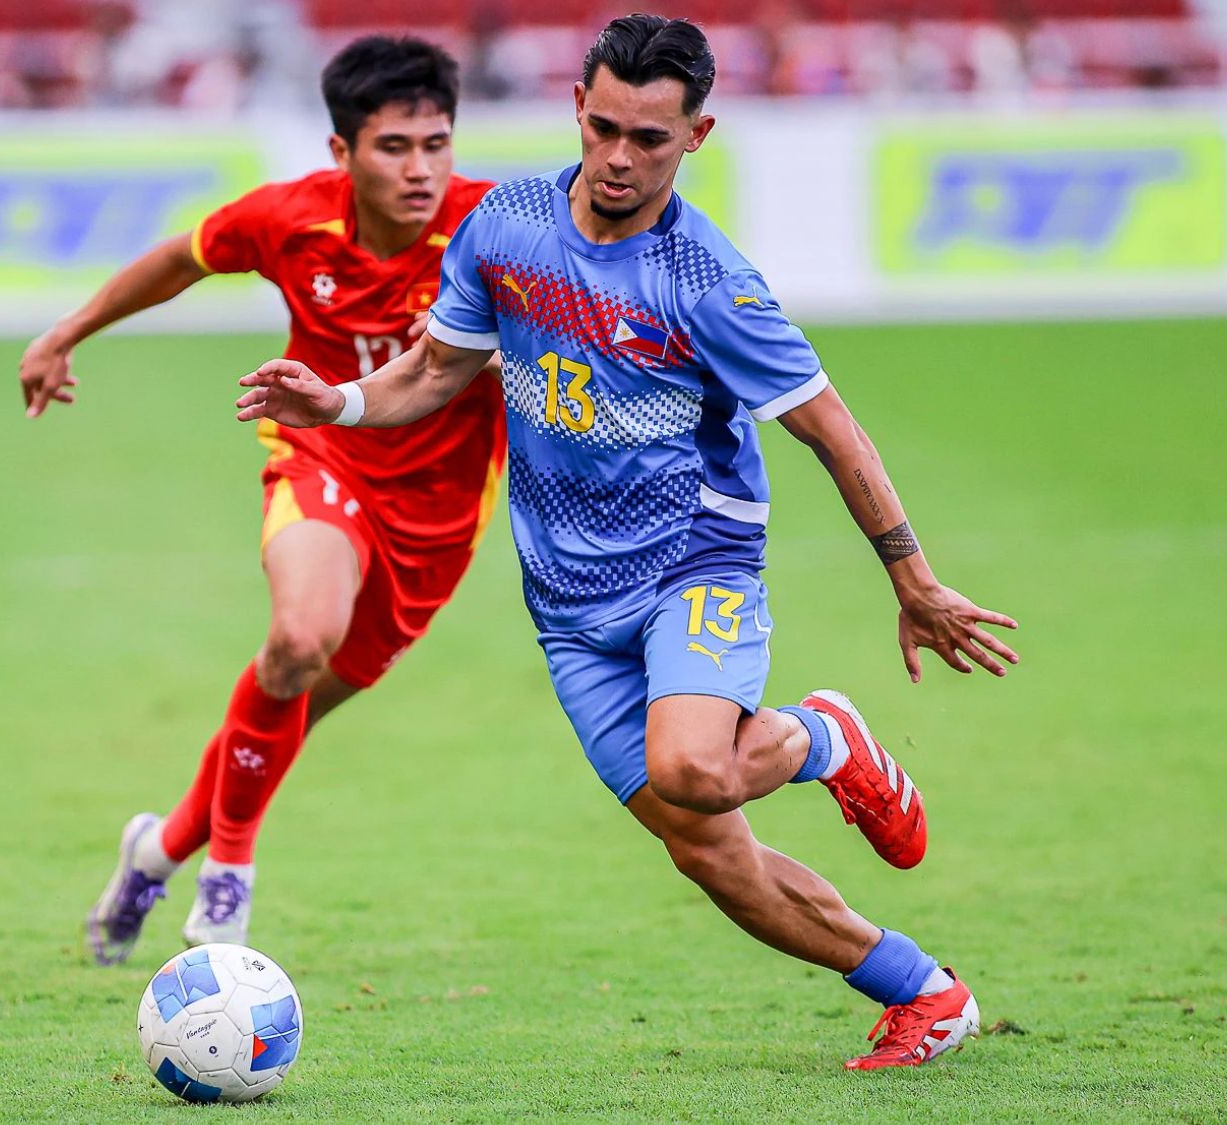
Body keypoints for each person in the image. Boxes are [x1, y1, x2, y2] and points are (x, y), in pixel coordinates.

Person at [231, 14, 1021, 1071]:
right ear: (575, 107)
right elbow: (432, 371)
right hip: (567, 604)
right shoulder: (506, 227)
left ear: (696, 134)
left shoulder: (708, 282)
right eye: (602, 128)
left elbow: (832, 430)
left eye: (648, 139)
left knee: (692, 768)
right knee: (705, 850)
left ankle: (821, 737)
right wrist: (334, 400)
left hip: (693, 564)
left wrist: (913, 580)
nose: (617, 157)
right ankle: (923, 991)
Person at [20, 36, 504, 961]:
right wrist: (68, 331)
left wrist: (497, 356)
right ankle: (229, 875)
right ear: (342, 152)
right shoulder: (291, 219)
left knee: (291, 706)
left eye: (436, 144)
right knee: (297, 638)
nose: (420, 169)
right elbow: (182, 258)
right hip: (324, 458)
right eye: (394, 147)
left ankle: (156, 852)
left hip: (438, 519)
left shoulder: (494, 231)